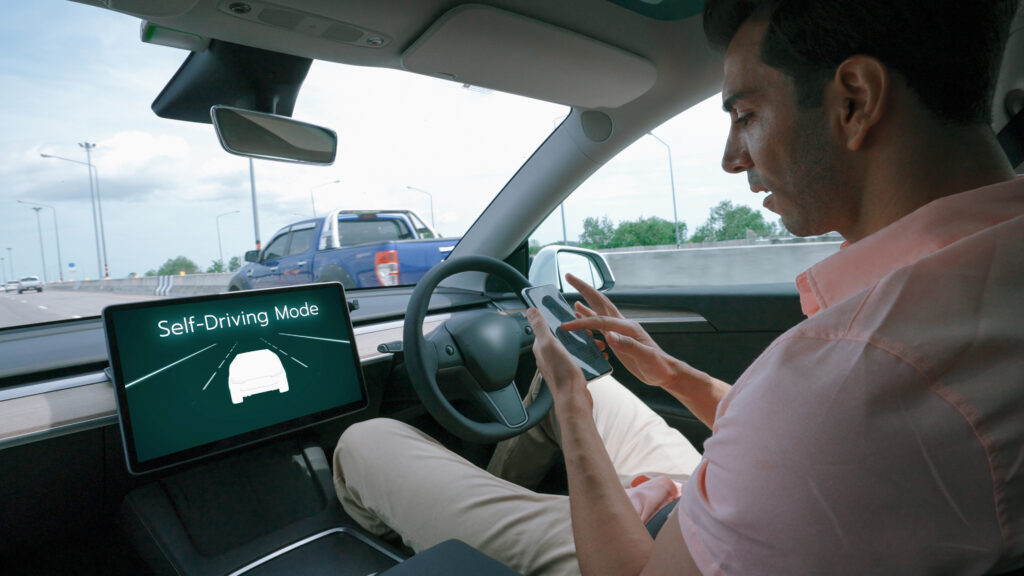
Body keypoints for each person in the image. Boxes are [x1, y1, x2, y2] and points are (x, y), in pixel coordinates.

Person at [334, 0, 1024, 574]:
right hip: (737, 513)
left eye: (746, 114)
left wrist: (571, 416)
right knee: (604, 386)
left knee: (369, 444)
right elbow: (806, 446)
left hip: (644, 556)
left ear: (854, 101)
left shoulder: (853, 370)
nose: (731, 158)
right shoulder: (971, 294)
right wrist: (667, 374)